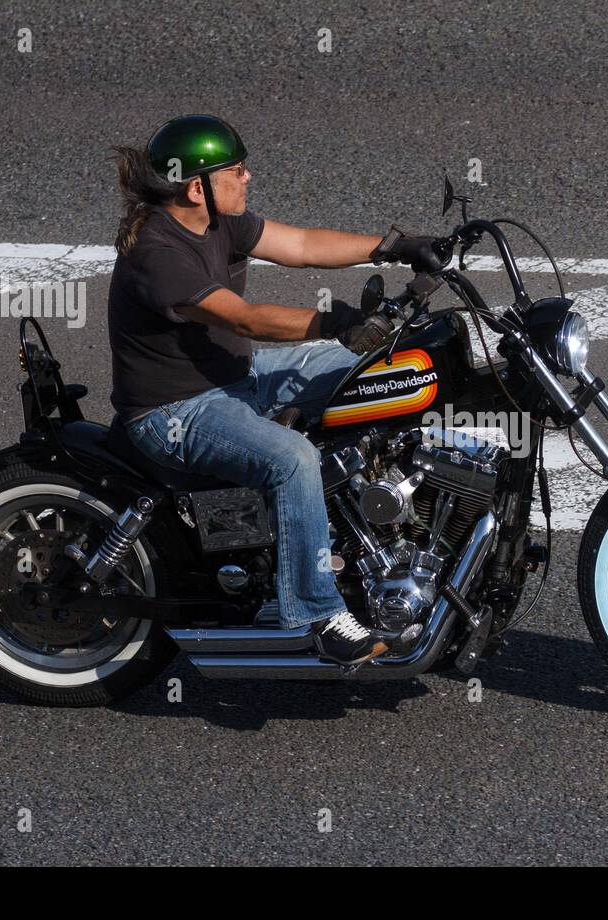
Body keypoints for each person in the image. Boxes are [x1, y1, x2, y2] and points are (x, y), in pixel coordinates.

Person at [107, 114, 443, 664]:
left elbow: (304, 244)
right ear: (198, 187)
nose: (249, 177)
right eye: (236, 170)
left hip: (239, 376)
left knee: (386, 367)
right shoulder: (157, 252)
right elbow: (241, 318)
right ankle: (319, 615)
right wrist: (334, 324)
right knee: (292, 458)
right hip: (175, 412)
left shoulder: (218, 222)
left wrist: (397, 246)